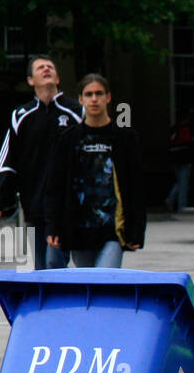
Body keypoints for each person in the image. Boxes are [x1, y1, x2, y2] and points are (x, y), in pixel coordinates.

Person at [0, 54, 82, 269]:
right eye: (40, 68)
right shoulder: (21, 116)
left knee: (54, 261)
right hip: (34, 202)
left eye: (50, 66)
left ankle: (61, 299)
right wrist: (0, 198)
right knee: (40, 267)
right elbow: (7, 157)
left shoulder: (77, 112)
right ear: (31, 80)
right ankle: (50, 301)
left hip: (66, 203)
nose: (46, 69)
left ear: (58, 78)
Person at [44, 73, 145, 268]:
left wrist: (137, 230)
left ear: (108, 97)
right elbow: (55, 186)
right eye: (89, 94)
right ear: (80, 99)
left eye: (99, 93)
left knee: (105, 280)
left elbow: (136, 187)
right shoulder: (67, 139)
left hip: (112, 230)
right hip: (79, 229)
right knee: (88, 285)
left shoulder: (125, 138)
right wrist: (53, 227)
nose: (94, 99)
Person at [165, 111, 194, 213]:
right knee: (183, 184)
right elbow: (188, 145)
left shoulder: (174, 129)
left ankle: (171, 198)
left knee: (180, 182)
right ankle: (182, 207)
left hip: (174, 159)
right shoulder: (185, 129)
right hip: (183, 159)